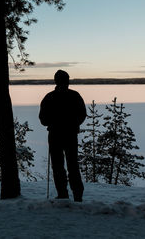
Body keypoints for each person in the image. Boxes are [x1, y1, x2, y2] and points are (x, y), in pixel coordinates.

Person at [39, 70, 86, 202]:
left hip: (55, 135)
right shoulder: (74, 96)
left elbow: (43, 119)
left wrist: (53, 122)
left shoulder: (49, 97)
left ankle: (63, 194)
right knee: (72, 165)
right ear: (67, 80)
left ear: (56, 81)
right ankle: (76, 195)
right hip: (69, 135)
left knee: (59, 166)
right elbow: (82, 115)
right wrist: (73, 124)